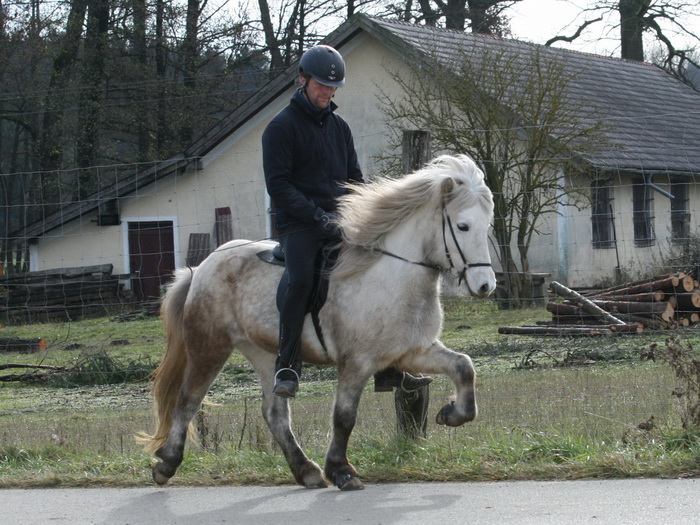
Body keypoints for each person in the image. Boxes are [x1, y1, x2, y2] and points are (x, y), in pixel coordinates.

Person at [262, 44, 431, 398]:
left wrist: (365, 216)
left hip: (340, 222)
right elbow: (279, 186)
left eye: (333, 86)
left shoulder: (340, 127)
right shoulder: (280, 127)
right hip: (299, 224)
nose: (328, 91)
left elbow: (353, 179)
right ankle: (288, 365)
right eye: (322, 85)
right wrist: (318, 217)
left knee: (381, 269)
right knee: (301, 278)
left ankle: (388, 367)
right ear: (303, 80)